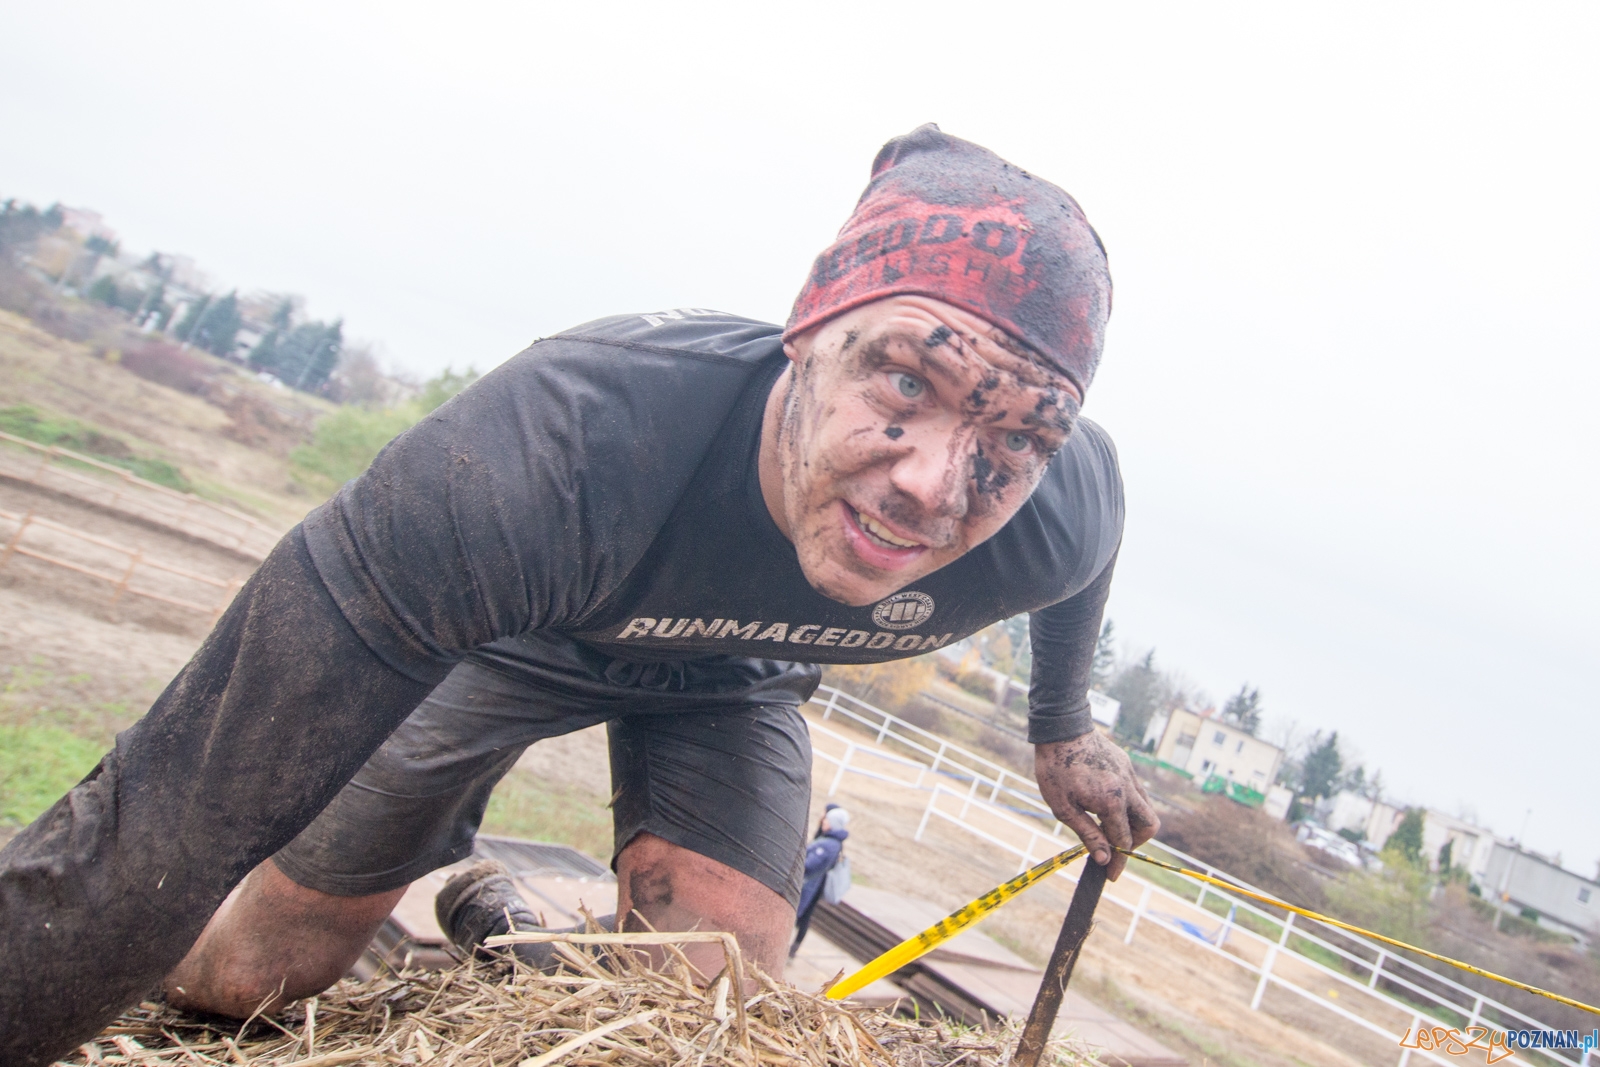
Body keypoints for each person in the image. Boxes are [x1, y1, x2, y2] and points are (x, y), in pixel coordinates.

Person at [0, 124, 1159, 1066]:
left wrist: (1063, 729)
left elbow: (1086, 556)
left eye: (1017, 435)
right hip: (518, 634)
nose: (933, 487)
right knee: (252, 977)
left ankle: (511, 938)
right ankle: (456, 923)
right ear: (808, 330)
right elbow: (171, 821)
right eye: (906, 377)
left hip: (734, 676)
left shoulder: (1058, 508)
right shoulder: (558, 448)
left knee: (703, 1018)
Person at [790, 804, 850, 957]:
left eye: (827, 819)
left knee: (797, 916)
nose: (823, 821)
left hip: (808, 887)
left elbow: (809, 864)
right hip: (810, 886)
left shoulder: (828, 845)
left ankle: (791, 948)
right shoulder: (831, 841)